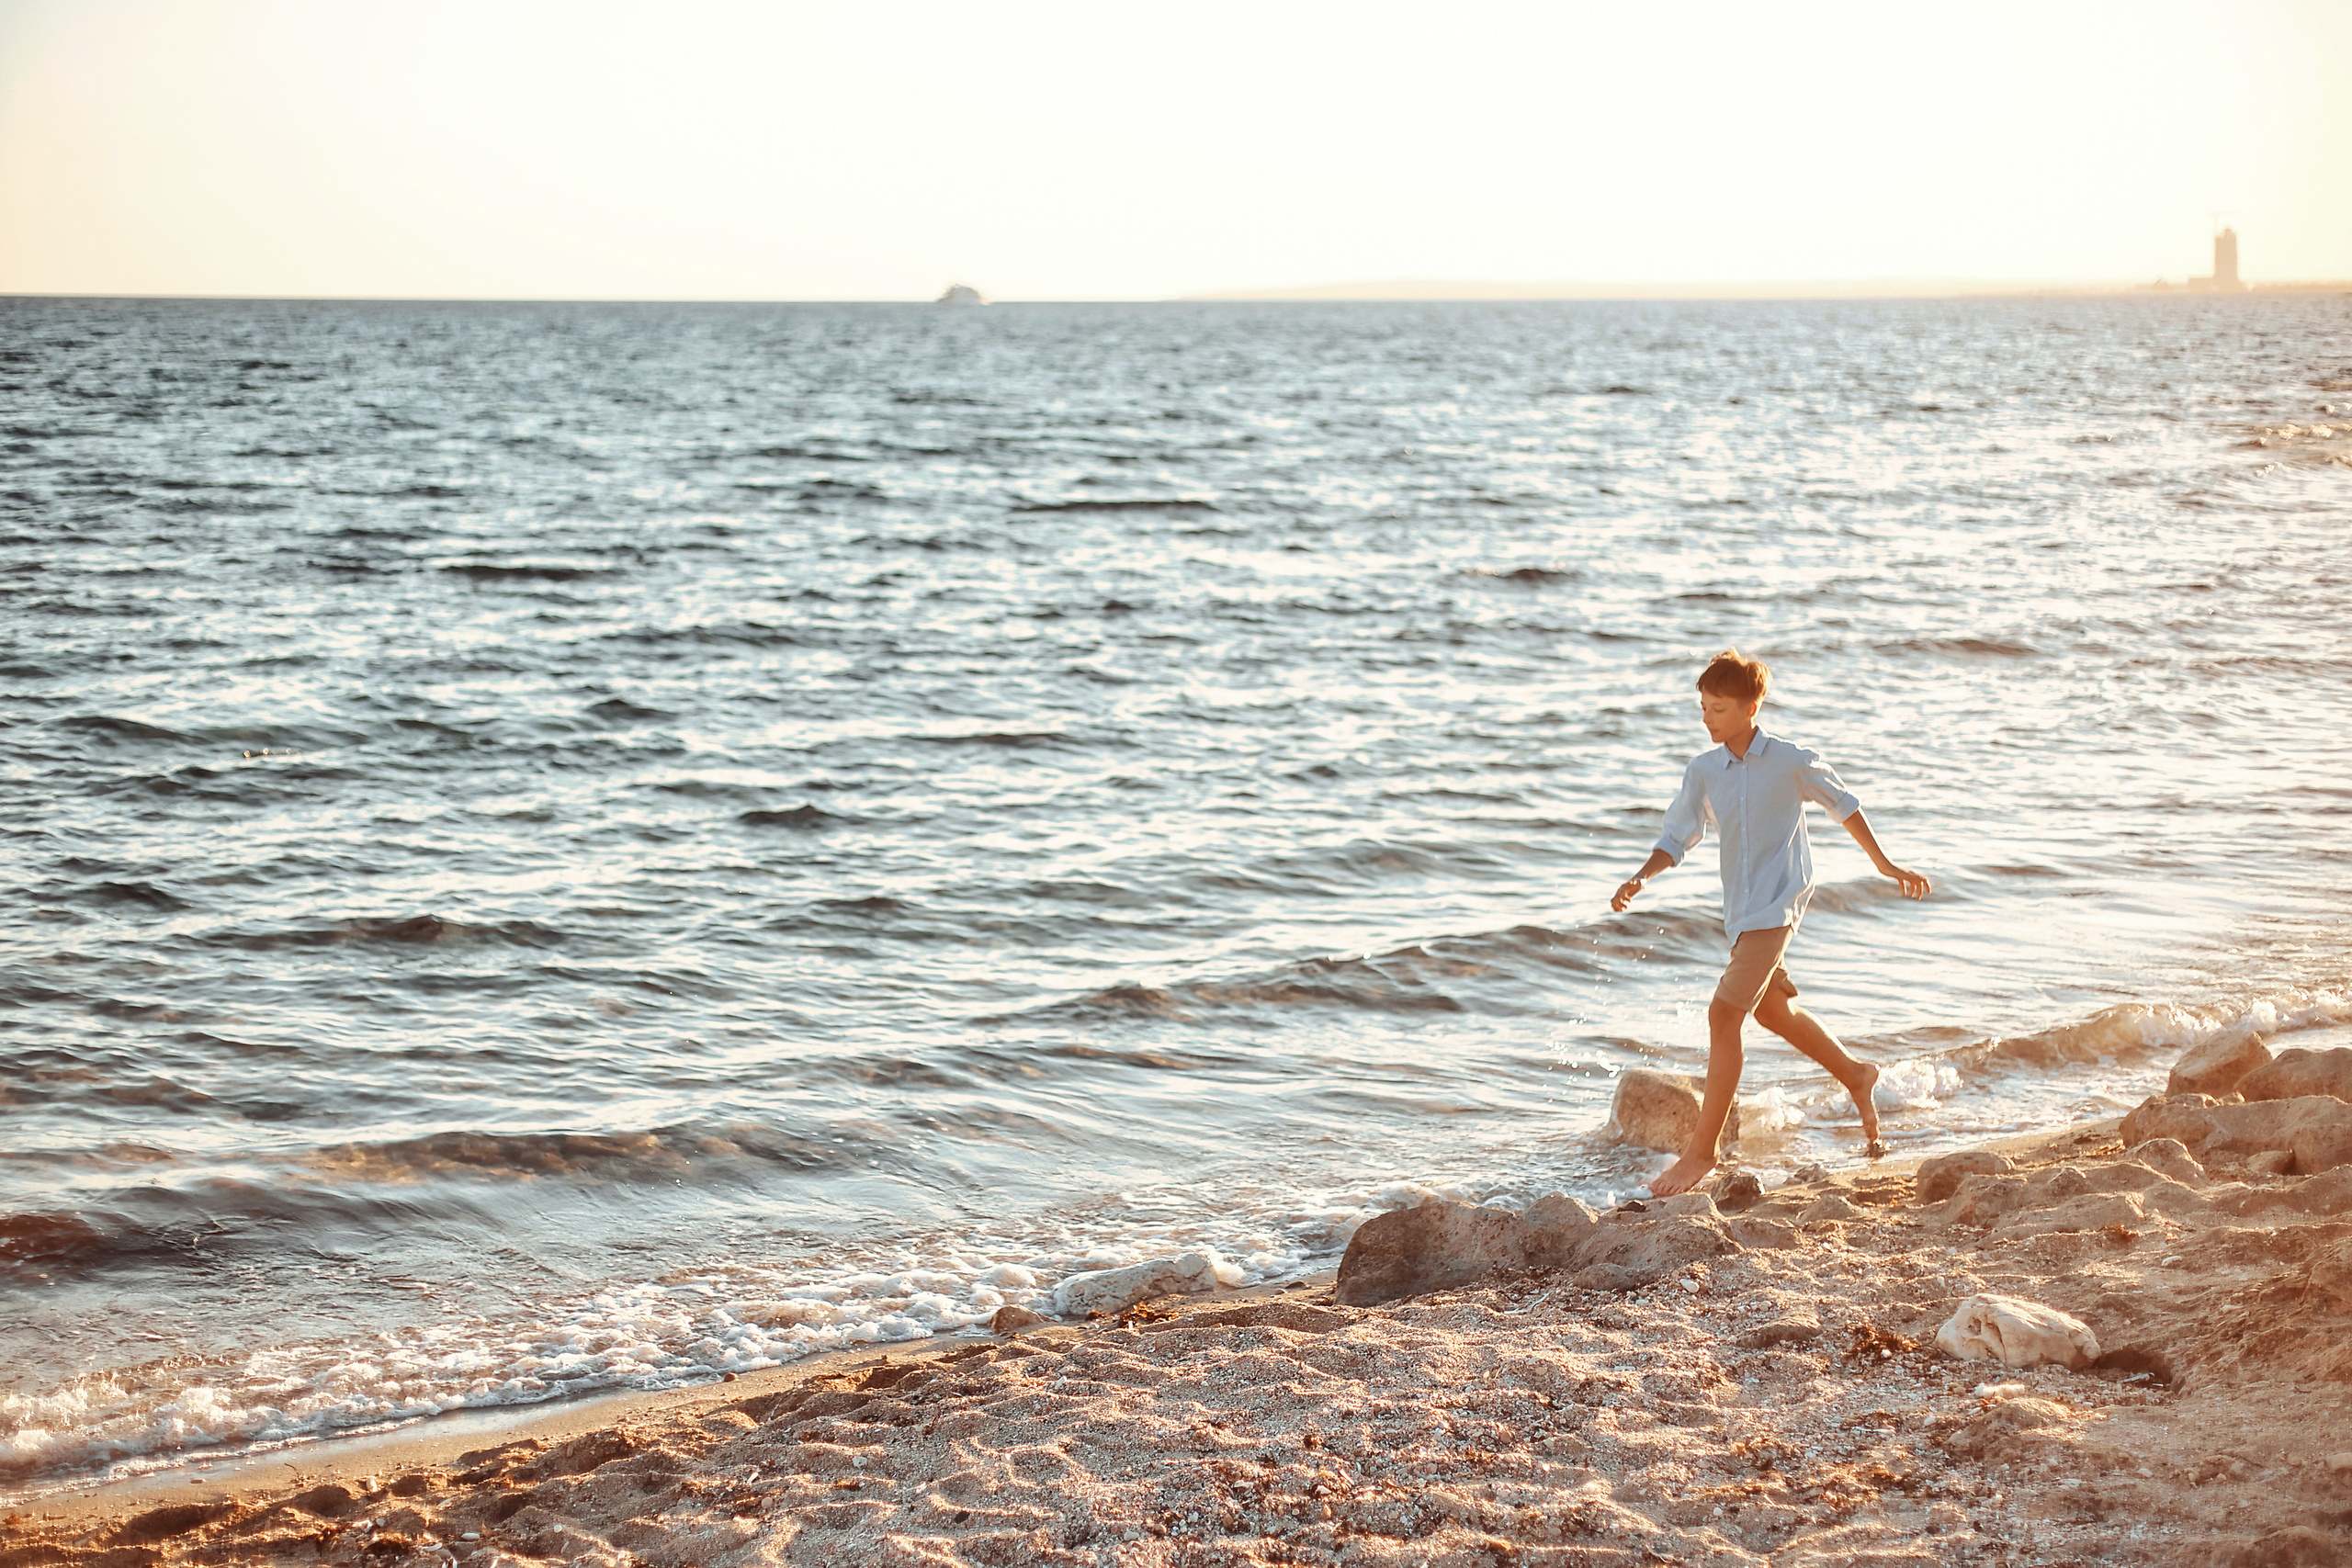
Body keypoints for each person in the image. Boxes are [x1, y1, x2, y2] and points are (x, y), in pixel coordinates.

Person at [1611, 649, 1929, 1197]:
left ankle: (1701, 1153)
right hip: (1740, 913)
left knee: (1723, 1014)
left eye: (1718, 708)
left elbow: (1844, 804)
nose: (1707, 718)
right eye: (1703, 707)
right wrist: (1643, 876)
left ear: (1751, 707)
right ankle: (1857, 1075)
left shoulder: (1788, 760)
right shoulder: (1703, 771)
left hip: (1780, 905)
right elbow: (1676, 837)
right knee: (1772, 1011)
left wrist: (1883, 865)